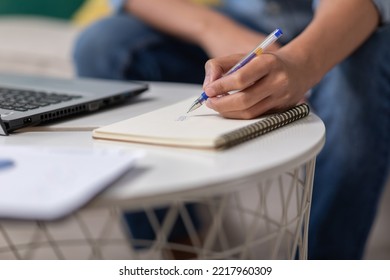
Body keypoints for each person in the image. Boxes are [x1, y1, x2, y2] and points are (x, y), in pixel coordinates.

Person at [73, 0, 390, 259]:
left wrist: (302, 63)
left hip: (349, 25)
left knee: (358, 80)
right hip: (240, 22)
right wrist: (212, 29)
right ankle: (183, 254)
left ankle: (321, 261)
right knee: (101, 43)